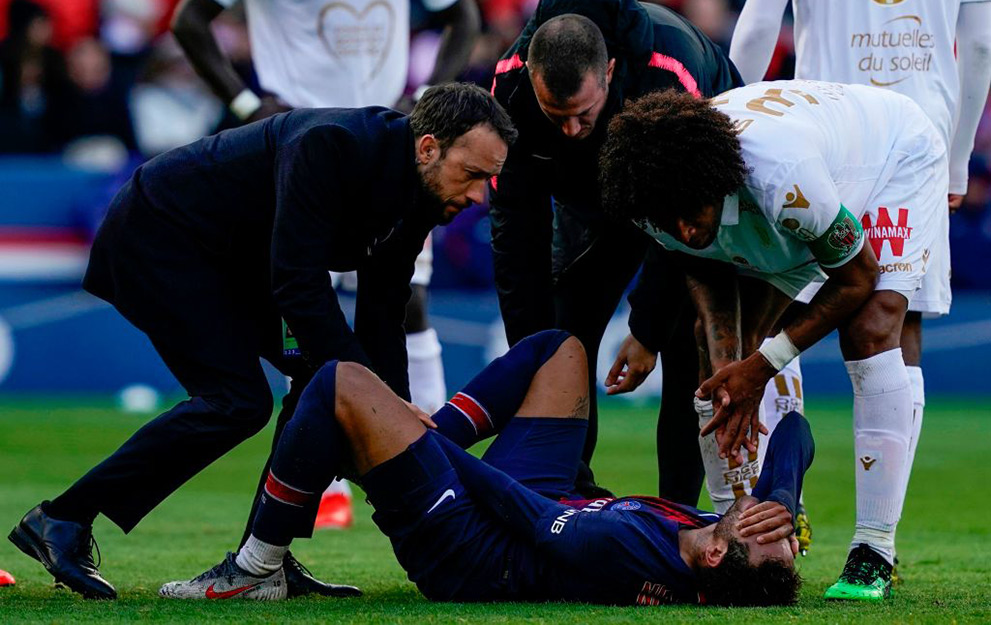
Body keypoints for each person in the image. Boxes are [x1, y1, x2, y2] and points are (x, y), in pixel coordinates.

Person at [7, 83, 516, 601]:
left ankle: (261, 559)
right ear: (428, 147)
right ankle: (61, 519)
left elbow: (384, 304)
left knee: (318, 386)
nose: (480, 196)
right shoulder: (331, 145)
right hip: (160, 236)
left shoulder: (426, 189)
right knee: (238, 401)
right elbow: (298, 284)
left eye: (489, 181)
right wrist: (373, 397)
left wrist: (391, 407)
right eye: (473, 175)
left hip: (235, 262)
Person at [599, 80, 948, 601]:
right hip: (797, 184)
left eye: (691, 212)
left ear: (710, 180)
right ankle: (732, 521)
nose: (687, 230)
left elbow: (856, 278)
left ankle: (873, 551)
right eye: (672, 222)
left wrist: (761, 367)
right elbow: (706, 273)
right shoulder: (653, 197)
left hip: (890, 159)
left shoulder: (782, 179)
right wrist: (732, 374)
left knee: (869, 329)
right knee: (717, 354)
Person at [159, 329, 809, 606]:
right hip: (537, 499)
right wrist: (781, 488)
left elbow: (522, 512)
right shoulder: (714, 536)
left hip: (472, 545)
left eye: (764, 533)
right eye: (786, 530)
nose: (775, 525)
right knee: (560, 350)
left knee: (339, 382)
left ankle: (254, 568)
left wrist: (422, 441)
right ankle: (397, 443)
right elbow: (795, 430)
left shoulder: (621, 547)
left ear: (720, 557)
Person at [172, 0, 481, 527]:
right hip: (300, 150)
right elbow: (189, 21)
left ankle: (439, 458)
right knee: (305, 312)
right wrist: (247, 102)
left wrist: (425, 96)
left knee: (407, 301)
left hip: (387, 148)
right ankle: (321, 483)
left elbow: (464, 17)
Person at [725, 0, 991, 578]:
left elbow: (758, 28)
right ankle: (876, 547)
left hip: (809, 139)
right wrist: (958, 157)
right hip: (914, 145)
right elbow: (978, 47)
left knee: (770, 312)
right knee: (891, 328)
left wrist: (727, 138)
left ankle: (778, 508)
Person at [488, 0, 743, 502]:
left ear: (608, 72)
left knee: (686, 342)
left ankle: (678, 516)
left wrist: (646, 327)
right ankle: (567, 498)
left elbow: (686, 229)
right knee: (560, 343)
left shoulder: (668, 75)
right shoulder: (511, 85)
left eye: (582, 114)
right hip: (588, 202)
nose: (570, 131)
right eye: (554, 116)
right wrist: (532, 355)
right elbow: (516, 232)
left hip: (692, 194)